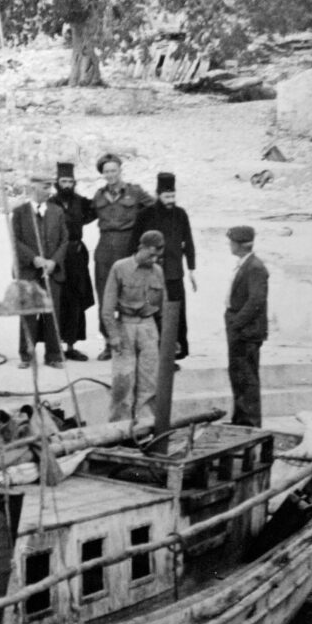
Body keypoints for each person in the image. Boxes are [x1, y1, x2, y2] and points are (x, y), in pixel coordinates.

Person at [92, 153, 154, 361]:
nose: (110, 175)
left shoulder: (135, 192)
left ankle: (132, 343)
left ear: (120, 171)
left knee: (131, 295)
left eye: (113, 170)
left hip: (128, 249)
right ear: (103, 174)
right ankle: (109, 342)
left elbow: (154, 209)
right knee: (105, 298)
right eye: (106, 171)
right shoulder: (98, 196)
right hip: (104, 251)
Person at [131, 172, 197, 365]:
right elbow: (134, 243)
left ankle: (171, 356)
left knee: (176, 316)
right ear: (158, 195)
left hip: (174, 274)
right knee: (154, 315)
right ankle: (153, 356)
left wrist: (192, 269)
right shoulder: (146, 215)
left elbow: (189, 241)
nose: (171, 201)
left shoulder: (181, 214)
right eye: (167, 197)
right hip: (151, 275)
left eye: (173, 196)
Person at [101, 230, 165, 422]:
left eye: (157, 256)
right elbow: (107, 308)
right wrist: (113, 335)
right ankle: (120, 427)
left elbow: (163, 309)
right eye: (151, 254)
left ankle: (145, 424)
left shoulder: (158, 272)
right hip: (125, 326)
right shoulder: (120, 268)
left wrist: (170, 337)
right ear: (141, 248)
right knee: (124, 380)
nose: (154, 259)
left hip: (148, 327)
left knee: (149, 380)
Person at [10, 176, 69, 369]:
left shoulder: (57, 211)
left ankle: (53, 355)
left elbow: (64, 240)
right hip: (28, 272)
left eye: (50, 187)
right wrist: (34, 259)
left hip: (52, 272)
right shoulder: (20, 212)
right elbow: (15, 240)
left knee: (52, 313)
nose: (49, 191)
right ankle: (26, 355)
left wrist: (53, 261)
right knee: (28, 313)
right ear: (33, 187)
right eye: (45, 187)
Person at [49, 161, 96, 361]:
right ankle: (54, 346)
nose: (67, 185)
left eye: (70, 181)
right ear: (57, 182)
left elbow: (94, 212)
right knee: (57, 300)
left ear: (74, 182)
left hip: (76, 254)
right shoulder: (50, 203)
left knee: (76, 299)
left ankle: (70, 346)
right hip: (56, 256)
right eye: (63, 181)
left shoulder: (81, 202)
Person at [225, 225, 269, 427]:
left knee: (247, 379)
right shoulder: (246, 264)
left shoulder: (255, 267)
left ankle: (250, 424)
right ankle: (240, 420)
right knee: (238, 376)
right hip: (240, 329)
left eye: (232, 242)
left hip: (246, 332)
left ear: (240, 245)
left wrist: (236, 323)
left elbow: (256, 301)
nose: (229, 245)